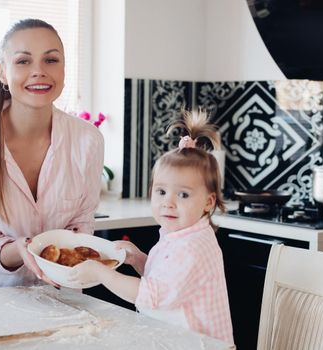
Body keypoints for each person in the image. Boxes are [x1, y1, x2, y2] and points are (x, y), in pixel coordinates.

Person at [0, 19, 104, 292]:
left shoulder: (88, 140)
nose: (39, 71)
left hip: (59, 295)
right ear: (2, 73)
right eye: (23, 61)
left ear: (63, 69)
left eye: (51, 60)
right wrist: (22, 249)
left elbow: (82, 222)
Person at [69, 109, 234, 344]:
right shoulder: (178, 235)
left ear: (208, 202)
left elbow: (151, 296)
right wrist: (138, 259)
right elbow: (168, 282)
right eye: (161, 191)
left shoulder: (192, 248)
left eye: (184, 194)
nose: (168, 202)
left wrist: (100, 272)